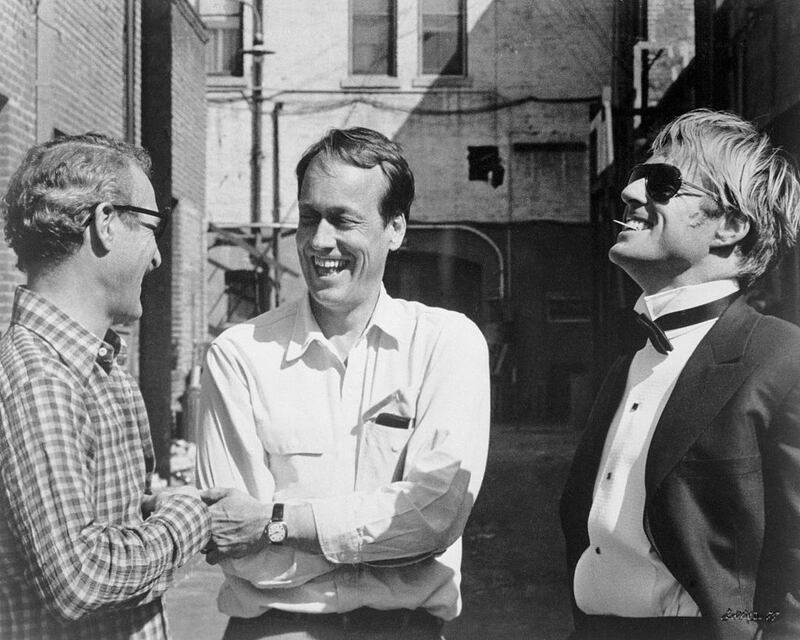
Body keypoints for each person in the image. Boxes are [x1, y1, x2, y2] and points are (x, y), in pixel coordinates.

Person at [196, 127, 491, 639]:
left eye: (343, 220)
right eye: (309, 218)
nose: (319, 241)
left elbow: (435, 517)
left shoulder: (447, 343)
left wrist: (277, 523)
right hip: (274, 631)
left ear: (395, 229)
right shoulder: (239, 354)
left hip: (405, 630)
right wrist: (380, 541)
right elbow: (237, 549)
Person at [560, 109, 800, 640]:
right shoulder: (630, 365)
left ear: (731, 226)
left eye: (664, 182)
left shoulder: (782, 358)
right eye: (635, 177)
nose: (631, 193)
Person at [0, 133, 212, 639]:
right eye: (152, 229)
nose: (158, 258)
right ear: (105, 224)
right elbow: (81, 578)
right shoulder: (40, 378)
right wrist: (190, 518)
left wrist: (155, 513)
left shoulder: (99, 368)